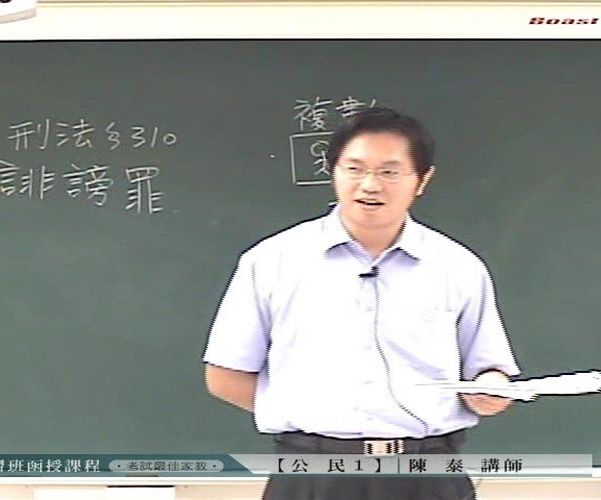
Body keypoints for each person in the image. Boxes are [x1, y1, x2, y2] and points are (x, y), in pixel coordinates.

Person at [202, 107, 521, 500]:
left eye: (389, 172)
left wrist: (491, 390)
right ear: (333, 172)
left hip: (429, 473)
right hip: (312, 473)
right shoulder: (271, 261)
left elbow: (488, 369)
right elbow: (225, 376)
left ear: (422, 180)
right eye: (354, 169)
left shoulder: (458, 267)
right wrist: (311, 414)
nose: (370, 185)